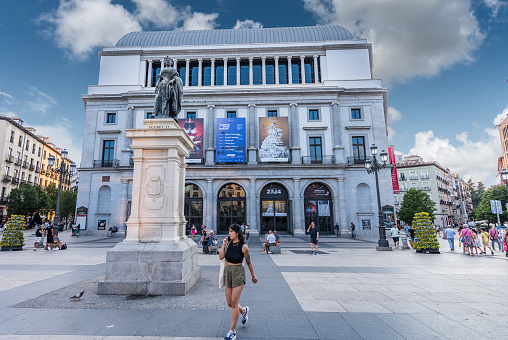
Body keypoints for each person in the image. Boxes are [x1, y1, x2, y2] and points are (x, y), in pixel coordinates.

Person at [219, 224, 257, 340]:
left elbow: (249, 262)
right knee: (230, 303)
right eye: (229, 231)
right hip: (228, 273)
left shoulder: (243, 247)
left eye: (231, 232)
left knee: (234, 302)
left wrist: (253, 276)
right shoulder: (228, 244)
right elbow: (221, 257)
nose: (229, 233)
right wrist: (223, 245)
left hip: (238, 273)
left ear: (237, 233)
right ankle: (243, 311)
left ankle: (232, 331)